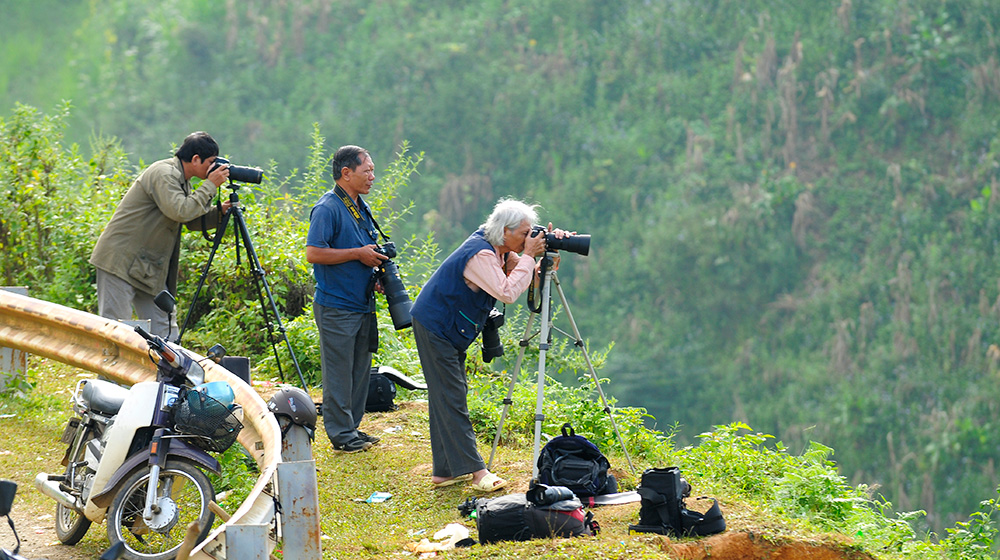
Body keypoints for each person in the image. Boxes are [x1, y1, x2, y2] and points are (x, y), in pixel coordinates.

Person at [410, 198, 570, 491]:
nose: (527, 238)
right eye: (523, 234)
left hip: (445, 328)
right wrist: (529, 256)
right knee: (452, 396)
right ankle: (477, 473)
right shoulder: (481, 254)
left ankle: (444, 471)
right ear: (504, 230)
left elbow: (520, 281)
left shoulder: (500, 248)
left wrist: (544, 260)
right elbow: (507, 292)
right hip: (435, 326)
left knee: (447, 395)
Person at [90, 131, 231, 339]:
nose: (214, 168)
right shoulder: (164, 173)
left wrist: (219, 213)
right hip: (119, 260)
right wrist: (210, 185)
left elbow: (188, 219)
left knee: (165, 331)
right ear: (195, 159)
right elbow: (180, 210)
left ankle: (165, 373)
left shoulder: (183, 181)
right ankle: (108, 373)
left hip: (146, 266)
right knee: (117, 331)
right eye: (211, 162)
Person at [305, 145, 388, 453]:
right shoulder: (328, 207)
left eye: (373, 171)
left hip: (361, 302)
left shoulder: (359, 205)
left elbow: (366, 249)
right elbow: (314, 252)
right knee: (339, 372)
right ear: (346, 173)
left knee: (359, 369)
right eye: (367, 171)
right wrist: (357, 254)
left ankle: (352, 428)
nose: (372, 177)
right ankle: (341, 434)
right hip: (336, 304)